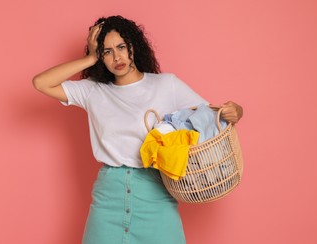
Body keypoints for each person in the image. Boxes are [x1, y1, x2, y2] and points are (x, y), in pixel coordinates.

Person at [32, 15, 243, 244]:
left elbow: (210, 117)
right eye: (107, 51)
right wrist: (89, 59)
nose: (117, 57)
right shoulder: (93, 91)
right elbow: (41, 83)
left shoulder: (166, 85)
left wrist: (237, 111)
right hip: (108, 197)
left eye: (121, 47)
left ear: (134, 45)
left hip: (156, 193)